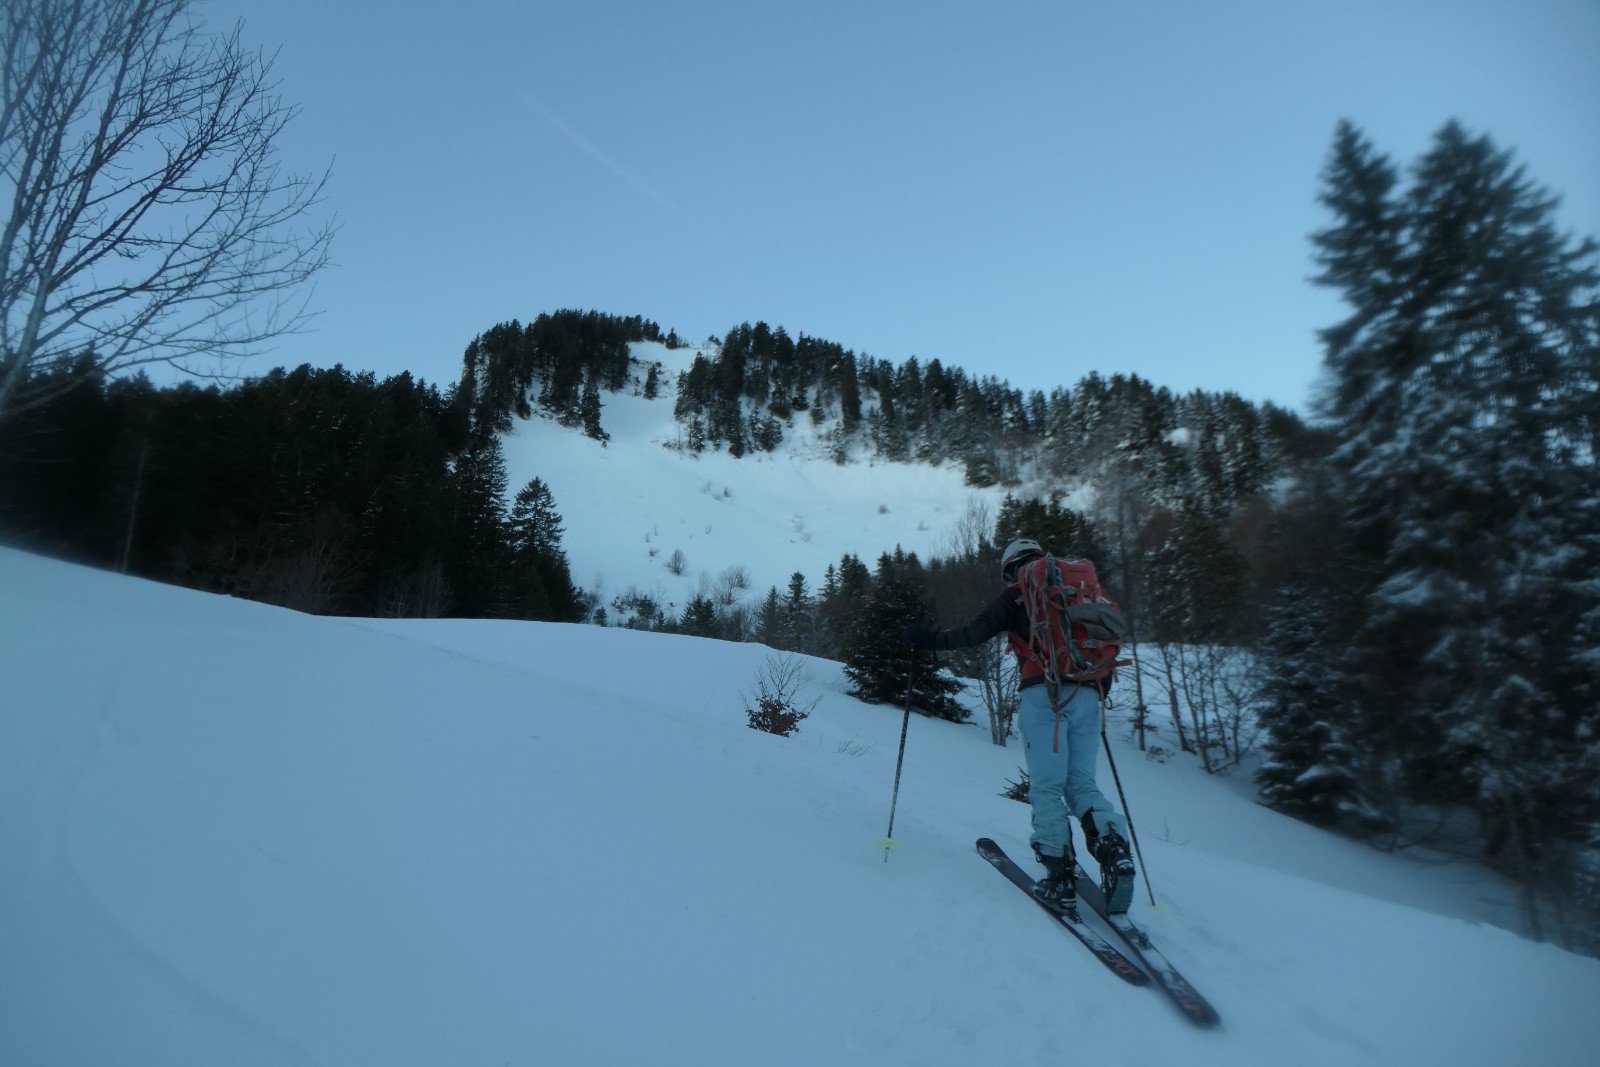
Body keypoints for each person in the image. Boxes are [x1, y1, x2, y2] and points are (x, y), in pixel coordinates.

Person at [904, 537, 1135, 914]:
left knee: (1046, 787)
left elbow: (973, 634)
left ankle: (1059, 878)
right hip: (1089, 694)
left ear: (1011, 569)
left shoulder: (1015, 596)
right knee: (1082, 783)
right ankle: (1113, 850)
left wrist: (927, 640)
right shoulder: (1077, 592)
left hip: (1042, 694)